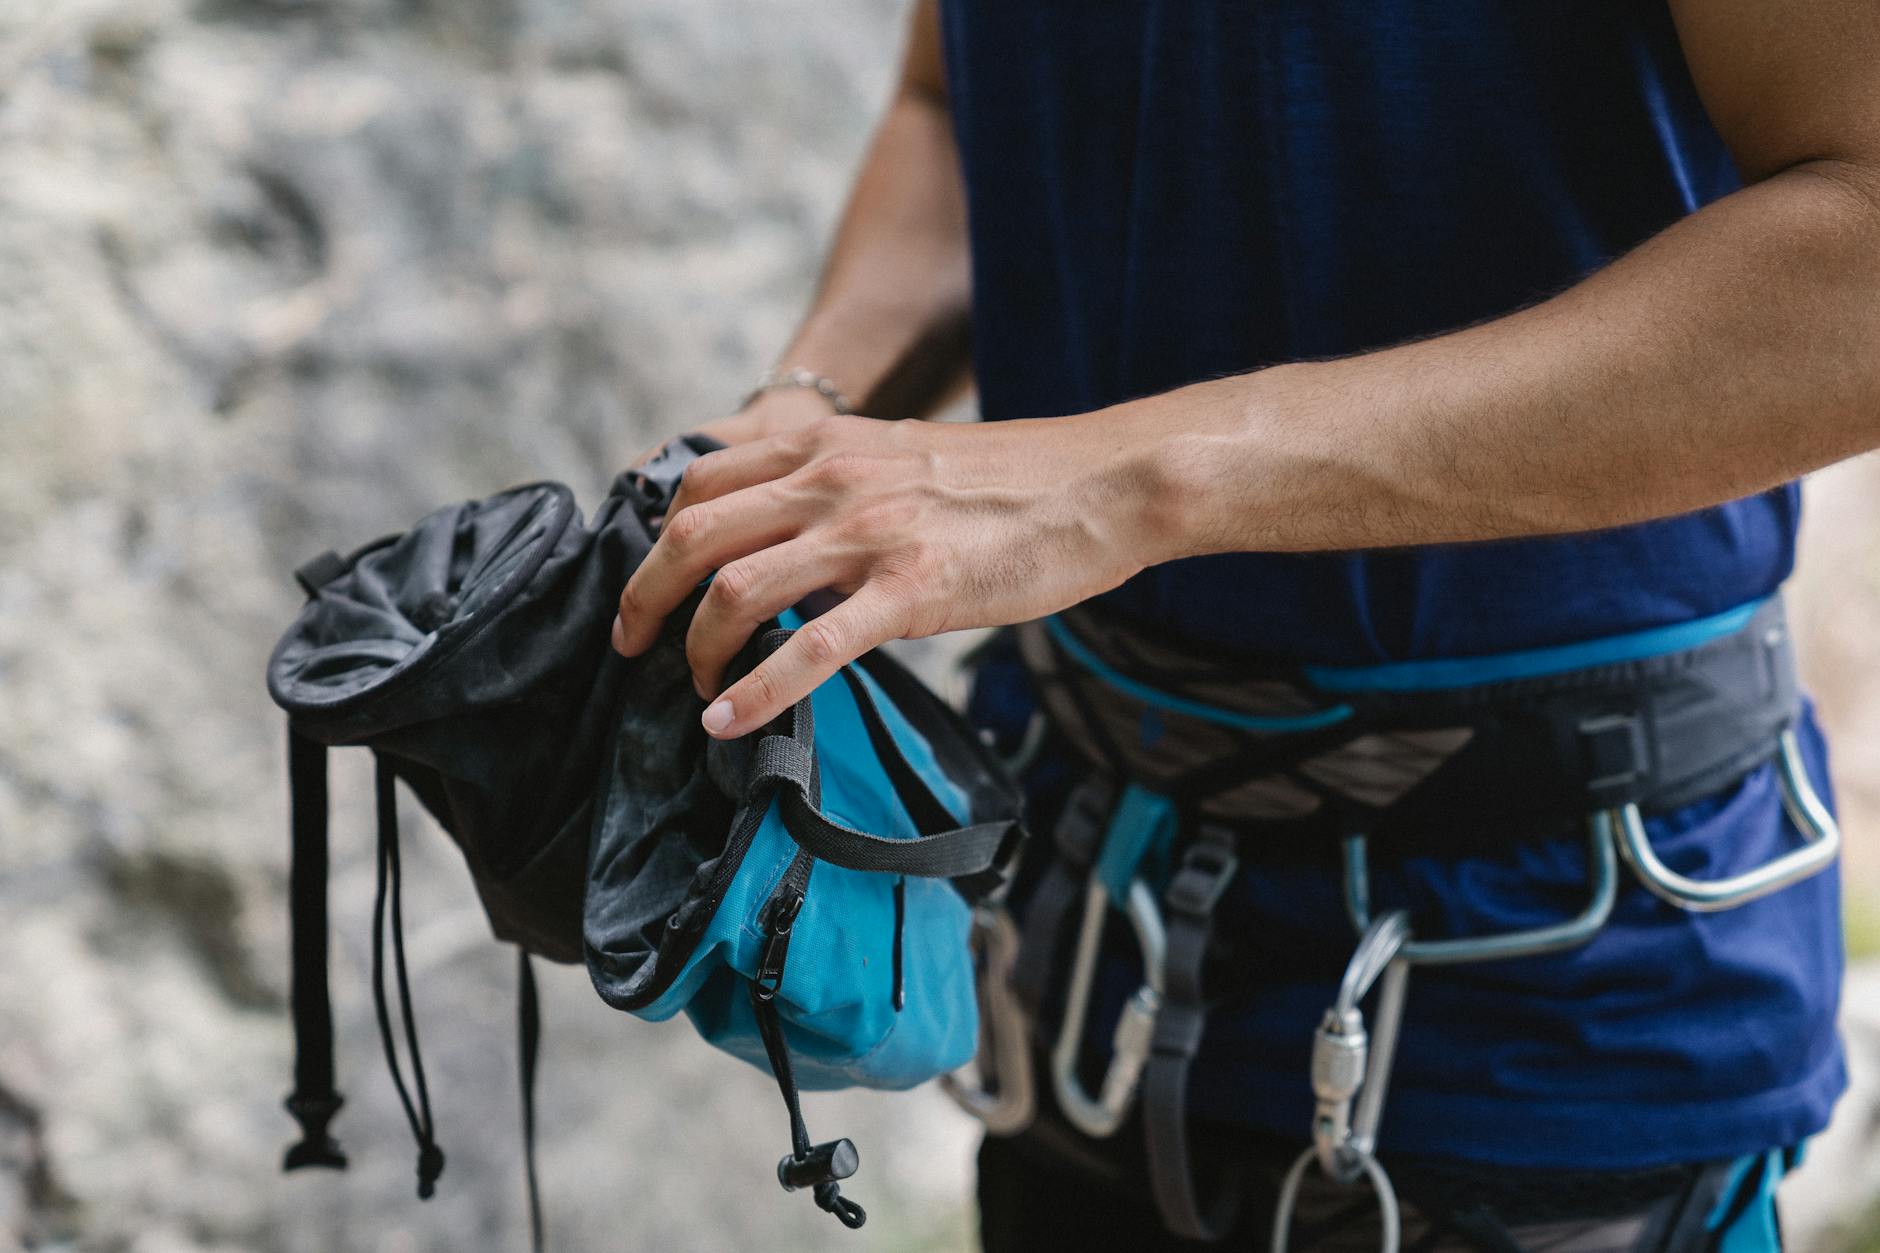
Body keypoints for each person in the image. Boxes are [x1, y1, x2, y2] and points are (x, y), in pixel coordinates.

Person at [611, 0, 1880, 1247]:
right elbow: (958, 106)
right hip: (1085, 926)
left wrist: (1125, 478)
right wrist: (795, 421)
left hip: (1547, 988)